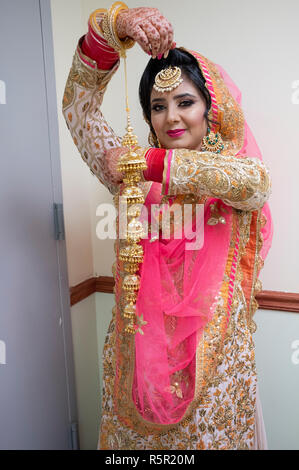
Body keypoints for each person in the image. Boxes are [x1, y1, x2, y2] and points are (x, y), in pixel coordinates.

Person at [62, 3, 273, 450]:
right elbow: (79, 111)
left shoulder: (233, 175)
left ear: (209, 108)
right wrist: (114, 28)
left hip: (214, 380)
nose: (171, 117)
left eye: (185, 102)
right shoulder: (132, 174)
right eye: (158, 107)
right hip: (137, 372)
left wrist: (156, 162)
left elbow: (255, 184)